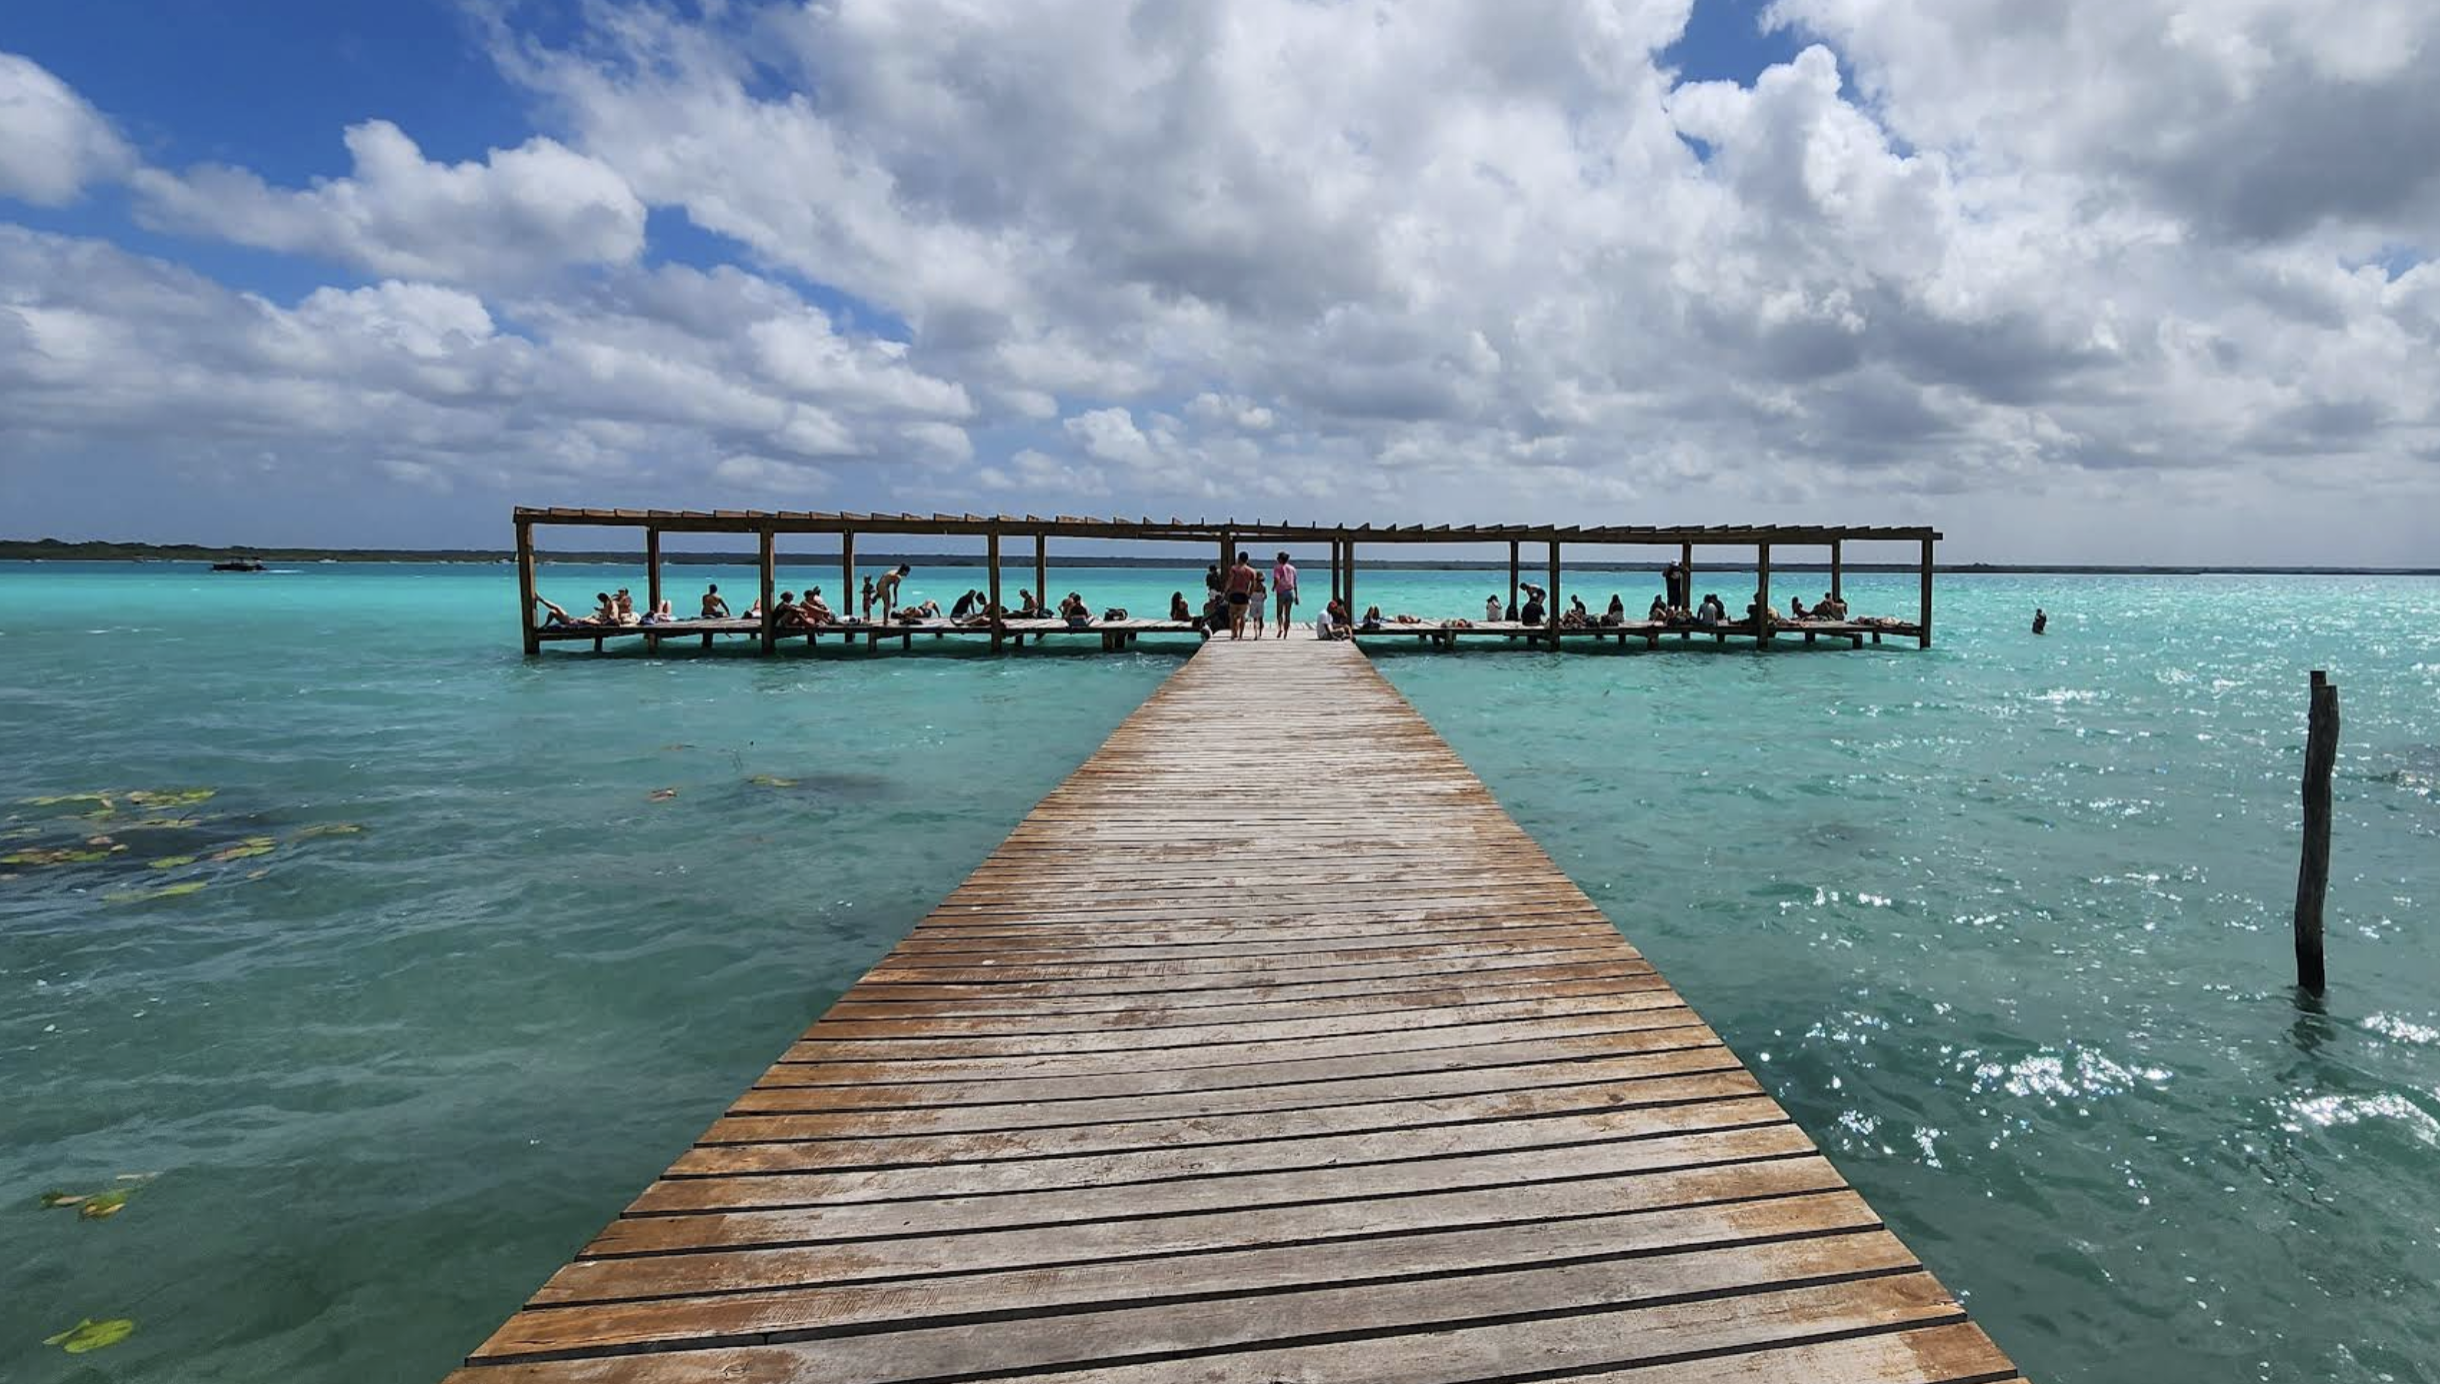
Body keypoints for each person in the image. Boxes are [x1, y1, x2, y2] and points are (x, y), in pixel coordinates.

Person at [1224, 550, 1259, 639]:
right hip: (1244, 595)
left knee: (1232, 615)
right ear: (1247, 560)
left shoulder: (1234, 569)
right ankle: (1241, 635)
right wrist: (1250, 594)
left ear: (1239, 558)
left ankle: (1234, 634)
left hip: (1234, 594)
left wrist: (1225, 591)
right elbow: (1253, 584)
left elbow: (1230, 581)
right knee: (1242, 616)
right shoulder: (1252, 571)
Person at [1271, 552, 1299, 639]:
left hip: (1281, 592)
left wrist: (1273, 587)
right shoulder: (1292, 568)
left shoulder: (1277, 568)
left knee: (1279, 613)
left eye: (1278, 557)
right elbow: (1295, 583)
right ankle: (1286, 632)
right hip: (1290, 592)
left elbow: (1277, 579)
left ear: (1280, 559)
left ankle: (1280, 628)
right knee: (1287, 613)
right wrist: (1297, 595)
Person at [1248, 568, 1267, 636]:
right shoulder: (1263, 587)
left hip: (1253, 603)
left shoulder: (1252, 586)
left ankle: (1255, 633)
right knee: (1261, 618)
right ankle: (1260, 633)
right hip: (1260, 603)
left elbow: (1249, 594)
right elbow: (1265, 596)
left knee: (1255, 619)